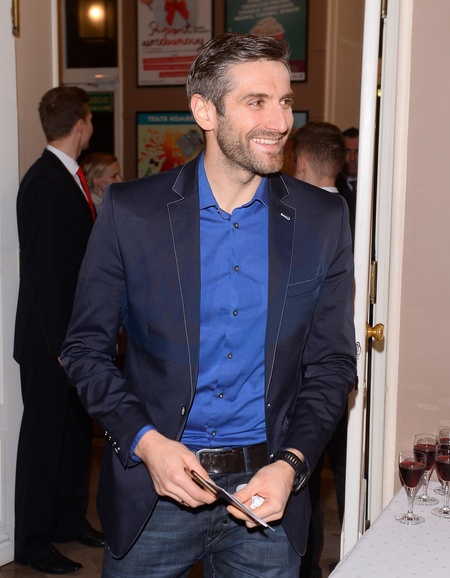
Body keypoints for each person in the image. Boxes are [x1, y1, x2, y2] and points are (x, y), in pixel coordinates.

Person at [61, 33, 356, 577]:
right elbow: (83, 350)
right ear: (204, 111)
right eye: (257, 102)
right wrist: (146, 443)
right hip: (155, 493)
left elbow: (332, 364)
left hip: (268, 493)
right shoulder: (132, 212)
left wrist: (291, 465)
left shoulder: (323, 219)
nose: (280, 121)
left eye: (285, 101)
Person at [13, 86, 105, 575]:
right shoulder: (45, 182)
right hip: (51, 343)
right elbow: (43, 272)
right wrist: (60, 346)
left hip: (73, 339)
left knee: (73, 437)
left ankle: (69, 521)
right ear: (81, 123)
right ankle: (31, 542)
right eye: (90, 119)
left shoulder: (66, 176)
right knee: (44, 444)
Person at [291, 121, 350, 578]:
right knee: (345, 468)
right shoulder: (359, 209)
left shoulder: (293, 217)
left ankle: (306, 564)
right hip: (344, 369)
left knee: (302, 473)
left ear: (301, 164)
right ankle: (351, 551)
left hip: (302, 368)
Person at [336, 127, 359, 240]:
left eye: (357, 151)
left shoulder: (376, 189)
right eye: (348, 151)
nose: (352, 158)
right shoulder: (334, 186)